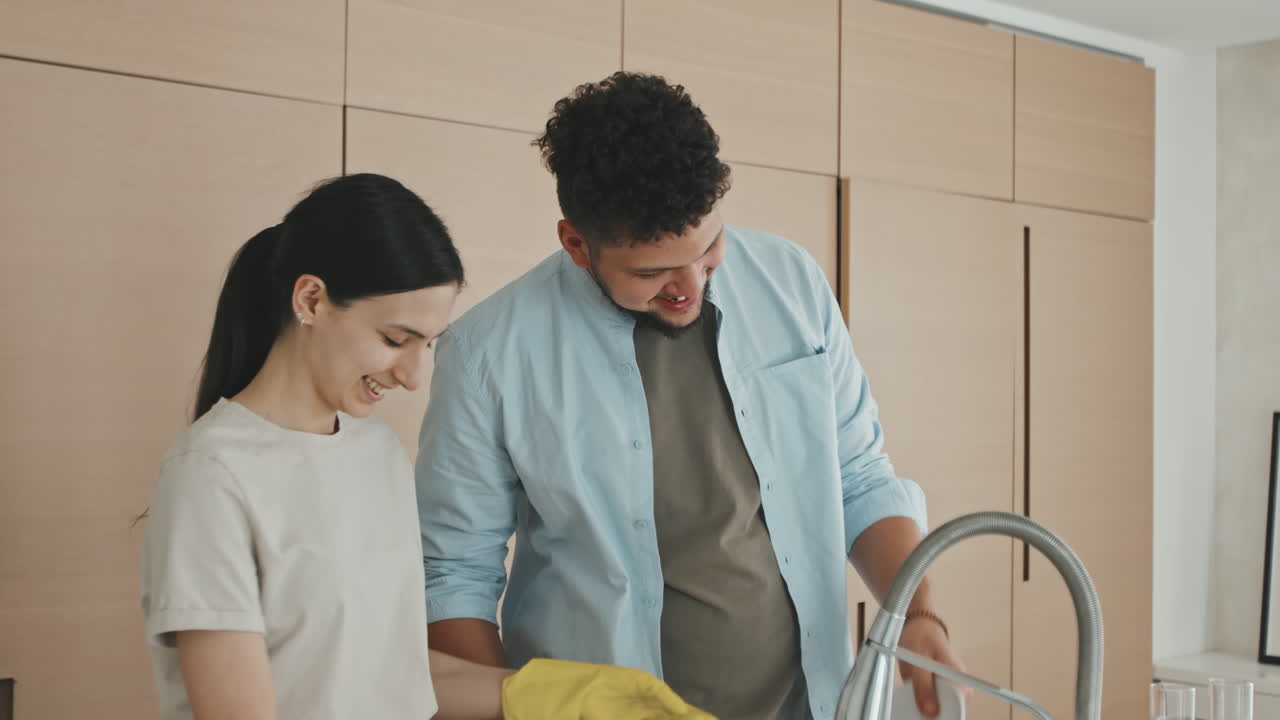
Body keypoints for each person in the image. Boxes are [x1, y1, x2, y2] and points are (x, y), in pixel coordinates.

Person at [416, 73, 966, 720]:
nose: (691, 287)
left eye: (709, 250)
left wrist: (918, 615)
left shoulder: (791, 283)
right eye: (652, 273)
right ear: (576, 245)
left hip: (810, 704)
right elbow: (454, 577)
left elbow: (859, 476)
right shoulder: (490, 353)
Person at [140, 173, 714, 720]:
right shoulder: (212, 473)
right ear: (311, 300)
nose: (413, 377)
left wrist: (567, 693)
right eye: (395, 339)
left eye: (428, 344)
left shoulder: (376, 451)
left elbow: (395, 678)